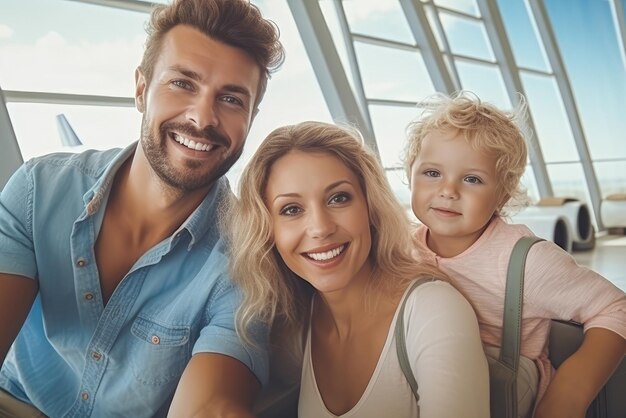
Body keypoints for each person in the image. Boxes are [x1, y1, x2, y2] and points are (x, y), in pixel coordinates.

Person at [0, 0, 284, 416]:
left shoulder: (246, 257)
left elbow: (212, 404)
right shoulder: (37, 190)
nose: (203, 118)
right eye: (183, 84)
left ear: (251, 117)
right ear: (140, 89)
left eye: (231, 99)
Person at [226, 121, 490, 417]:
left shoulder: (432, 310)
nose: (321, 228)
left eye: (338, 198)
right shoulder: (296, 330)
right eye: (291, 209)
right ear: (267, 231)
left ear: (370, 206)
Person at [405, 91, 626, 418]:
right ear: (410, 174)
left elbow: (615, 307)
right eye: (432, 173)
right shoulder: (401, 250)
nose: (448, 190)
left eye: (472, 179)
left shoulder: (524, 262)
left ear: (503, 194)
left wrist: (570, 390)